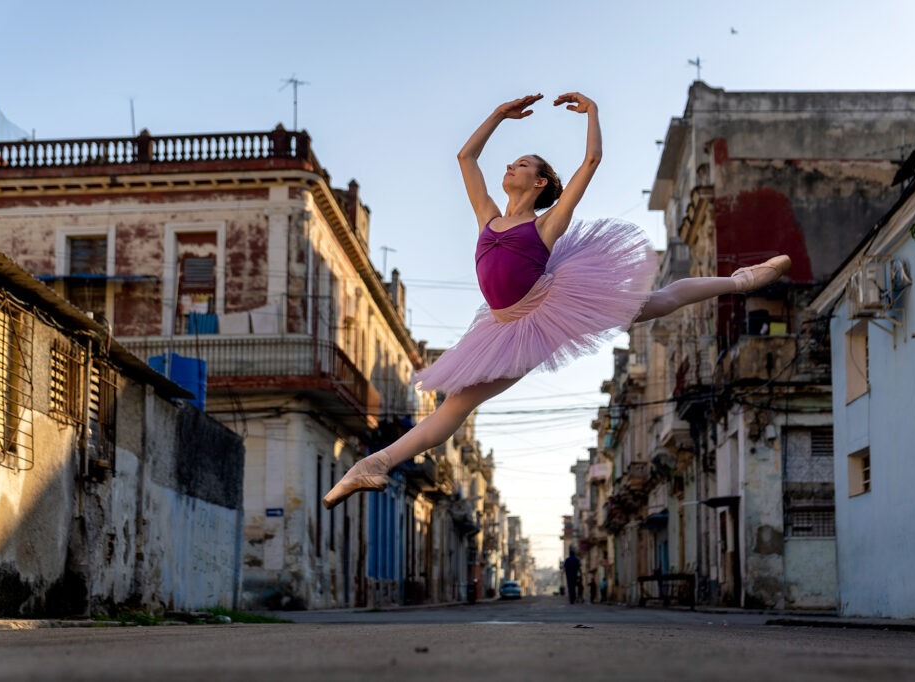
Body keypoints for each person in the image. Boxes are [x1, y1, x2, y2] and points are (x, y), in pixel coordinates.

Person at [322, 93, 790, 509]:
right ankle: (372, 466)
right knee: (452, 408)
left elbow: (591, 162)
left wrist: (593, 113)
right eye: (512, 162)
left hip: (546, 311)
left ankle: (740, 280)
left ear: (540, 183)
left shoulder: (546, 226)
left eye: (523, 164)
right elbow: (466, 157)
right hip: (500, 324)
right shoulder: (487, 216)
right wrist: (498, 115)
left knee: (659, 301)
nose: (511, 167)